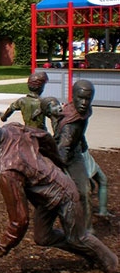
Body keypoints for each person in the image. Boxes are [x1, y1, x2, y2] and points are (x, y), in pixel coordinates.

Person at [0, 108, 118, 273]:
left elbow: (19, 220)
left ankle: (112, 262)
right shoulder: (12, 128)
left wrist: (1, 248)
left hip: (63, 194)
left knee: (78, 237)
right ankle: (90, 254)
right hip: (47, 198)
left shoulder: (5, 168)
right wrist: (56, 161)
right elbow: (45, 137)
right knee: (43, 237)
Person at [55, 80, 96, 231]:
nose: (85, 103)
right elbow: (63, 148)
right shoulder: (69, 123)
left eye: (88, 98)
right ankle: (69, 228)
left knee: (85, 191)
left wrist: (82, 140)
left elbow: (80, 128)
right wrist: (62, 173)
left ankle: (87, 229)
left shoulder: (84, 111)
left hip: (75, 152)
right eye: (81, 98)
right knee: (70, 193)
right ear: (73, 96)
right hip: (64, 157)